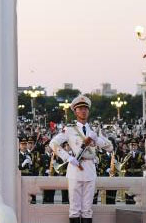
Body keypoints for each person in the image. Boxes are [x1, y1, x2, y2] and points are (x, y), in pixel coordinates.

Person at [49, 95, 113, 223]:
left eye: (85, 109)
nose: (83, 111)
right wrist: (68, 158)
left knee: (87, 209)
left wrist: (96, 139)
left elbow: (110, 147)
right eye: (80, 109)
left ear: (88, 111)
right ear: (75, 112)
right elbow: (53, 144)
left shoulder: (94, 130)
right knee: (74, 209)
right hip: (75, 168)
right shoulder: (70, 129)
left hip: (90, 168)